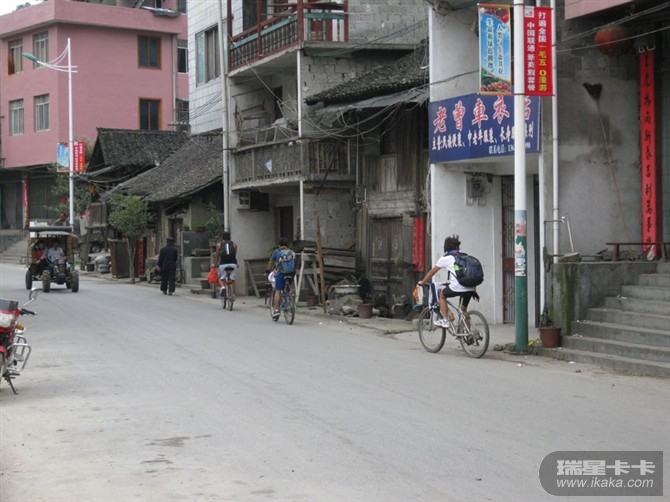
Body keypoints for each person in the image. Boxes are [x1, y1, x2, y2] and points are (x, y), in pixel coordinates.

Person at [417, 234, 479, 328]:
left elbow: (432, 272)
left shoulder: (445, 258)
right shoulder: (464, 256)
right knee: (463, 310)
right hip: (471, 288)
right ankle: (469, 333)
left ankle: (445, 320)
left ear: (445, 247)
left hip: (458, 287)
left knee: (442, 296)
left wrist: (423, 282)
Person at [266, 237, 295, 320]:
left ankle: (276, 310)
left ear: (279, 245)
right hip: (291, 273)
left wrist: (268, 269)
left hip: (281, 273)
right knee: (290, 284)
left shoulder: (277, 252)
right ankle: (291, 295)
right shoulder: (292, 252)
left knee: (277, 290)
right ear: (288, 245)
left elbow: (271, 261)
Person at [215, 231, 238, 296]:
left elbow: (217, 256)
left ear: (222, 237)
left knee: (220, 278)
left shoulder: (219, 245)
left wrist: (216, 263)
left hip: (223, 264)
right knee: (232, 280)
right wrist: (236, 263)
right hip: (233, 264)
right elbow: (234, 255)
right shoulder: (234, 245)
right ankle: (233, 295)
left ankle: (223, 287)